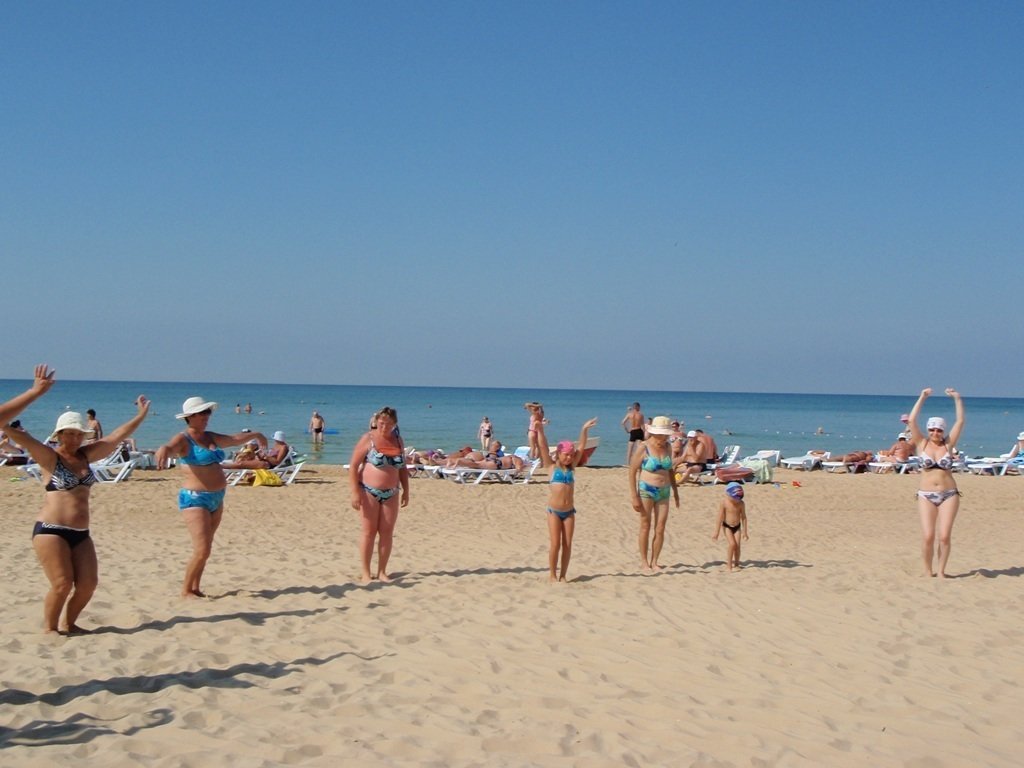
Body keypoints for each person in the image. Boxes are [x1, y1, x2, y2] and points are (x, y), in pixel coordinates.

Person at [6, 396, 150, 633]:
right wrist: (32, 396)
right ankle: (50, 630)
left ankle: (69, 624)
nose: (74, 438)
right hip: (51, 530)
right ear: (59, 434)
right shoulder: (49, 456)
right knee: (62, 584)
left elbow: (116, 437)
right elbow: (20, 437)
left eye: (78, 434)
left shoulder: (85, 455)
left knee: (88, 584)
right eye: (69, 434)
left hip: (81, 533)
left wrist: (140, 416)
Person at [156, 397, 268, 598]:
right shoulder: (184, 439)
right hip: (195, 499)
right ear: (190, 417)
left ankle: (195, 588)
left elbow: (234, 439)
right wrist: (163, 450)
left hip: (217, 497)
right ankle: (185, 591)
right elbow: (170, 448)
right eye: (203, 413)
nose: (207, 416)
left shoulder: (210, 436)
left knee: (206, 548)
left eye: (208, 412)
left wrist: (257, 434)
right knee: (202, 550)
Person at [907, 387, 965, 578]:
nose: (935, 432)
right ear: (928, 430)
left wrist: (957, 398)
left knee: (945, 536)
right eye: (932, 429)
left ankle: (941, 571)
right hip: (926, 495)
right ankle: (927, 570)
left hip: (949, 494)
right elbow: (912, 421)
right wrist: (922, 397)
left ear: (943, 431)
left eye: (939, 430)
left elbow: (960, 421)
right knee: (928, 536)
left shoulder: (948, 444)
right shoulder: (921, 443)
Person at [348, 407, 410, 584]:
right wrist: (354, 492)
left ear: (394, 424)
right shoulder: (368, 439)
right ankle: (366, 573)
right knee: (369, 532)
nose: (384, 426)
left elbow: (402, 467)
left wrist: (406, 490)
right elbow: (353, 466)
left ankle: (382, 571)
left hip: (392, 492)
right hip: (368, 491)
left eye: (389, 423)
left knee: (387, 532)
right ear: (376, 422)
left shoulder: (398, 440)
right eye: (382, 423)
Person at [546, 418, 598, 582]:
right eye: (566, 455)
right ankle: (552, 575)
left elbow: (581, 447)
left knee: (567, 544)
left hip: (569, 512)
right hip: (554, 512)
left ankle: (563, 575)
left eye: (571, 455)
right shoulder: (552, 468)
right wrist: (538, 428)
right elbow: (542, 446)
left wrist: (584, 429)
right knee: (555, 544)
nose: (569, 458)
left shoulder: (572, 468)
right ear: (558, 454)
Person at [629, 416, 680, 572]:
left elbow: (670, 470)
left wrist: (676, 492)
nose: (664, 438)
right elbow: (632, 472)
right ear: (654, 433)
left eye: (666, 435)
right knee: (645, 525)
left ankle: (655, 561)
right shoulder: (643, 447)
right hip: (647, 489)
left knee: (660, 527)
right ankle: (644, 561)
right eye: (661, 435)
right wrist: (634, 496)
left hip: (664, 491)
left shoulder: (668, 447)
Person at [712, 482, 749, 572]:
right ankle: (729, 566)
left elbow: (744, 517)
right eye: (735, 498)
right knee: (732, 544)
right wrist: (716, 532)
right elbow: (719, 518)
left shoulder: (741, 503)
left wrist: (745, 532)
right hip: (727, 526)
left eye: (739, 498)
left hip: (737, 527)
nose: (737, 501)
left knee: (738, 546)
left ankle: (736, 564)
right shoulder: (724, 503)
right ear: (728, 495)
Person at [524, 402, 551, 467]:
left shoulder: (534, 413)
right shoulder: (541, 414)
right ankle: (540, 462)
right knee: (539, 447)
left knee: (533, 448)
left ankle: (531, 462)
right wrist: (539, 406)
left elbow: (526, 404)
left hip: (532, 431)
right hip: (538, 432)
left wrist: (535, 406)